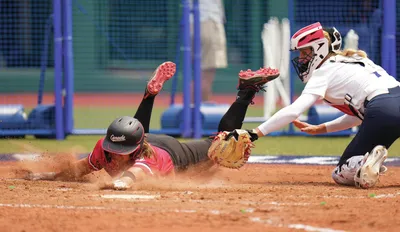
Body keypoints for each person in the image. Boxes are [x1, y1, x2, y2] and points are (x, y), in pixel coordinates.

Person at [27, 61, 279, 190]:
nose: (113, 158)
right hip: (146, 139)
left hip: (178, 155)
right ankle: (149, 95)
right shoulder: (106, 148)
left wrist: (120, 183)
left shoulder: (149, 158)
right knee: (138, 131)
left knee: (220, 143)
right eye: (112, 151)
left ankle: (246, 92)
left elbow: (132, 176)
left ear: (135, 152)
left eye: (120, 154)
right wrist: (49, 175)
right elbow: (80, 168)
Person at [248, 22, 400, 189]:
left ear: (319, 49)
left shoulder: (323, 72)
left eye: (305, 52)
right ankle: (368, 160)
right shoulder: (358, 59)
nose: (300, 58)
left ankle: (364, 162)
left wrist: (254, 133)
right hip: (386, 104)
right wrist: (322, 128)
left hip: (381, 110)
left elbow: (294, 111)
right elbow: (361, 114)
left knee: (340, 173)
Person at [191, 0, 228, 102]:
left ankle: (192, 111)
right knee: (206, 72)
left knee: (199, 72)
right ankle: (201, 109)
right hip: (208, 20)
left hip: (193, 22)